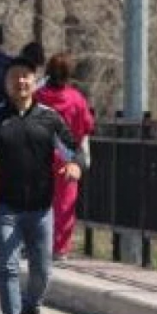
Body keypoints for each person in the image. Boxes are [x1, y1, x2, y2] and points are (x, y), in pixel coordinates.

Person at [0, 57, 85, 314]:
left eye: (26, 76)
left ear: (34, 80)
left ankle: (31, 306)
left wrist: (75, 166)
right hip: (5, 207)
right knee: (8, 268)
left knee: (42, 270)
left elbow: (73, 151)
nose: (21, 82)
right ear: (7, 83)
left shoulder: (49, 118)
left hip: (40, 209)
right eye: (15, 77)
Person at [34, 53, 95, 260]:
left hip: (39, 155)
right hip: (67, 156)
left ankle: (37, 241)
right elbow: (87, 125)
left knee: (39, 200)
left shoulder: (38, 96)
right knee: (65, 202)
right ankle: (60, 247)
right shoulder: (76, 99)